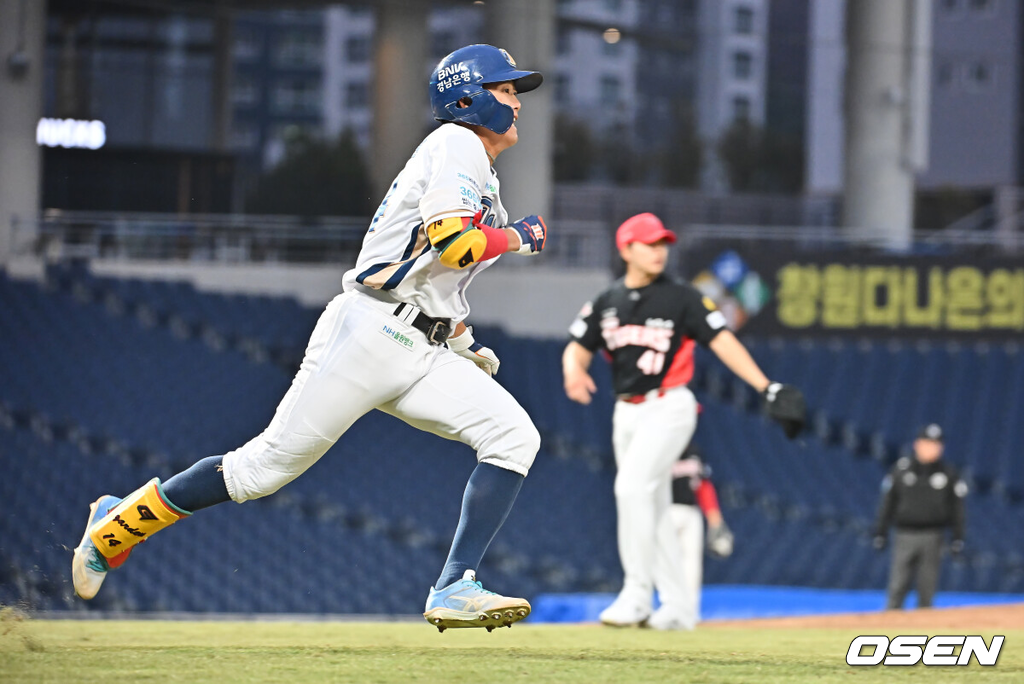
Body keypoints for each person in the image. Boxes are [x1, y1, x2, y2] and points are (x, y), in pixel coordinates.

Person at [72, 44, 551, 633]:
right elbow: (455, 243)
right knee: (260, 471)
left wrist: (458, 339)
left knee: (513, 437)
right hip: (372, 331)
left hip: (420, 343)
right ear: (468, 99)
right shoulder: (456, 142)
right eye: (506, 89)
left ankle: (454, 585)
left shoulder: (478, 168)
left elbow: (432, 272)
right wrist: (519, 237)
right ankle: (119, 525)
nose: (516, 102)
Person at [561, 212, 805, 630]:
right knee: (653, 505)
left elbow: (722, 340)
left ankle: (637, 594)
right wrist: (573, 371)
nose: (660, 251)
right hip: (626, 410)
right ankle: (677, 607)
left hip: (669, 405)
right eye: (650, 243)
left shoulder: (682, 297)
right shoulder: (607, 301)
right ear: (626, 249)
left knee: (631, 487)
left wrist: (765, 386)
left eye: (663, 243)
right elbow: (577, 345)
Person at [873, 423, 967, 610]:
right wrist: (880, 532)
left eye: (936, 444)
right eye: (927, 443)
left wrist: (958, 537)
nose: (931, 448)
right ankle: (891, 622)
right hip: (904, 534)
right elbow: (888, 504)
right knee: (898, 585)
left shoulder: (949, 473)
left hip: (933, 535)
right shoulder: (901, 469)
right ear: (917, 444)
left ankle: (924, 626)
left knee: (927, 587)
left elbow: (957, 509)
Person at [667, 442, 734, 629]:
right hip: (665, 510)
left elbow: (703, 485)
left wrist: (715, 518)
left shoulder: (695, 452)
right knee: (665, 561)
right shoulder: (659, 443)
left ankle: (689, 613)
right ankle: (665, 608)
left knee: (692, 564)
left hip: (691, 512)